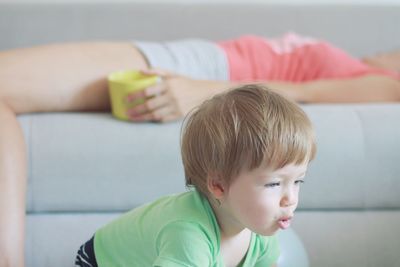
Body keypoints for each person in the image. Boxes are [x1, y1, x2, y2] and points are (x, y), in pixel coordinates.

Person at [0, 32, 399, 266]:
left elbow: (296, 95)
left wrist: (205, 89)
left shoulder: (387, 81)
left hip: (218, 78)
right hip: (217, 75)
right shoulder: (187, 233)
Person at [75, 84, 317, 266]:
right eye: (274, 184)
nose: (291, 198)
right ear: (218, 185)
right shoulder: (188, 236)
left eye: (297, 181)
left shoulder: (260, 232)